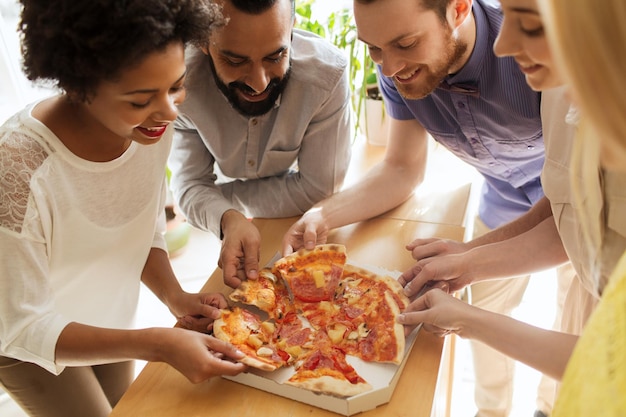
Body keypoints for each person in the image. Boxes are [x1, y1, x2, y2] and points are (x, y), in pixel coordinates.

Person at [283, 1, 546, 415]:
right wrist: (322, 215)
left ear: (458, 8)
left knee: (578, 313)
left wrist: (475, 255)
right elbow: (402, 168)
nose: (388, 69)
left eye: (405, 43)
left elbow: (571, 206)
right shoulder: (399, 68)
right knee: (487, 316)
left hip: (583, 203)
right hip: (502, 200)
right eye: (373, 49)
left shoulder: (533, 50)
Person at [0, 2, 246, 417]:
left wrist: (175, 296)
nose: (170, 112)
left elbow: (136, 225)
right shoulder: (18, 169)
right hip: (30, 342)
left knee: (128, 408)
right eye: (140, 99)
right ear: (80, 86)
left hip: (108, 317)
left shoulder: (149, 127)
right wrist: (157, 343)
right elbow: (25, 325)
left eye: (176, 86)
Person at [395, 0, 626, 414]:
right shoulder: (559, 87)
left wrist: (470, 320)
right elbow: (567, 206)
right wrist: (470, 258)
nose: (502, 45)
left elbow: (608, 365)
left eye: (532, 27)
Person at [167, 0, 352, 289]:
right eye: (235, 61)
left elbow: (318, 189)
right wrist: (228, 219)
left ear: (291, 29)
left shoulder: (327, 77)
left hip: (297, 227)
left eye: (275, 57)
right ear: (203, 42)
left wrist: (220, 203)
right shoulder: (178, 85)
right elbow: (188, 188)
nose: (259, 83)